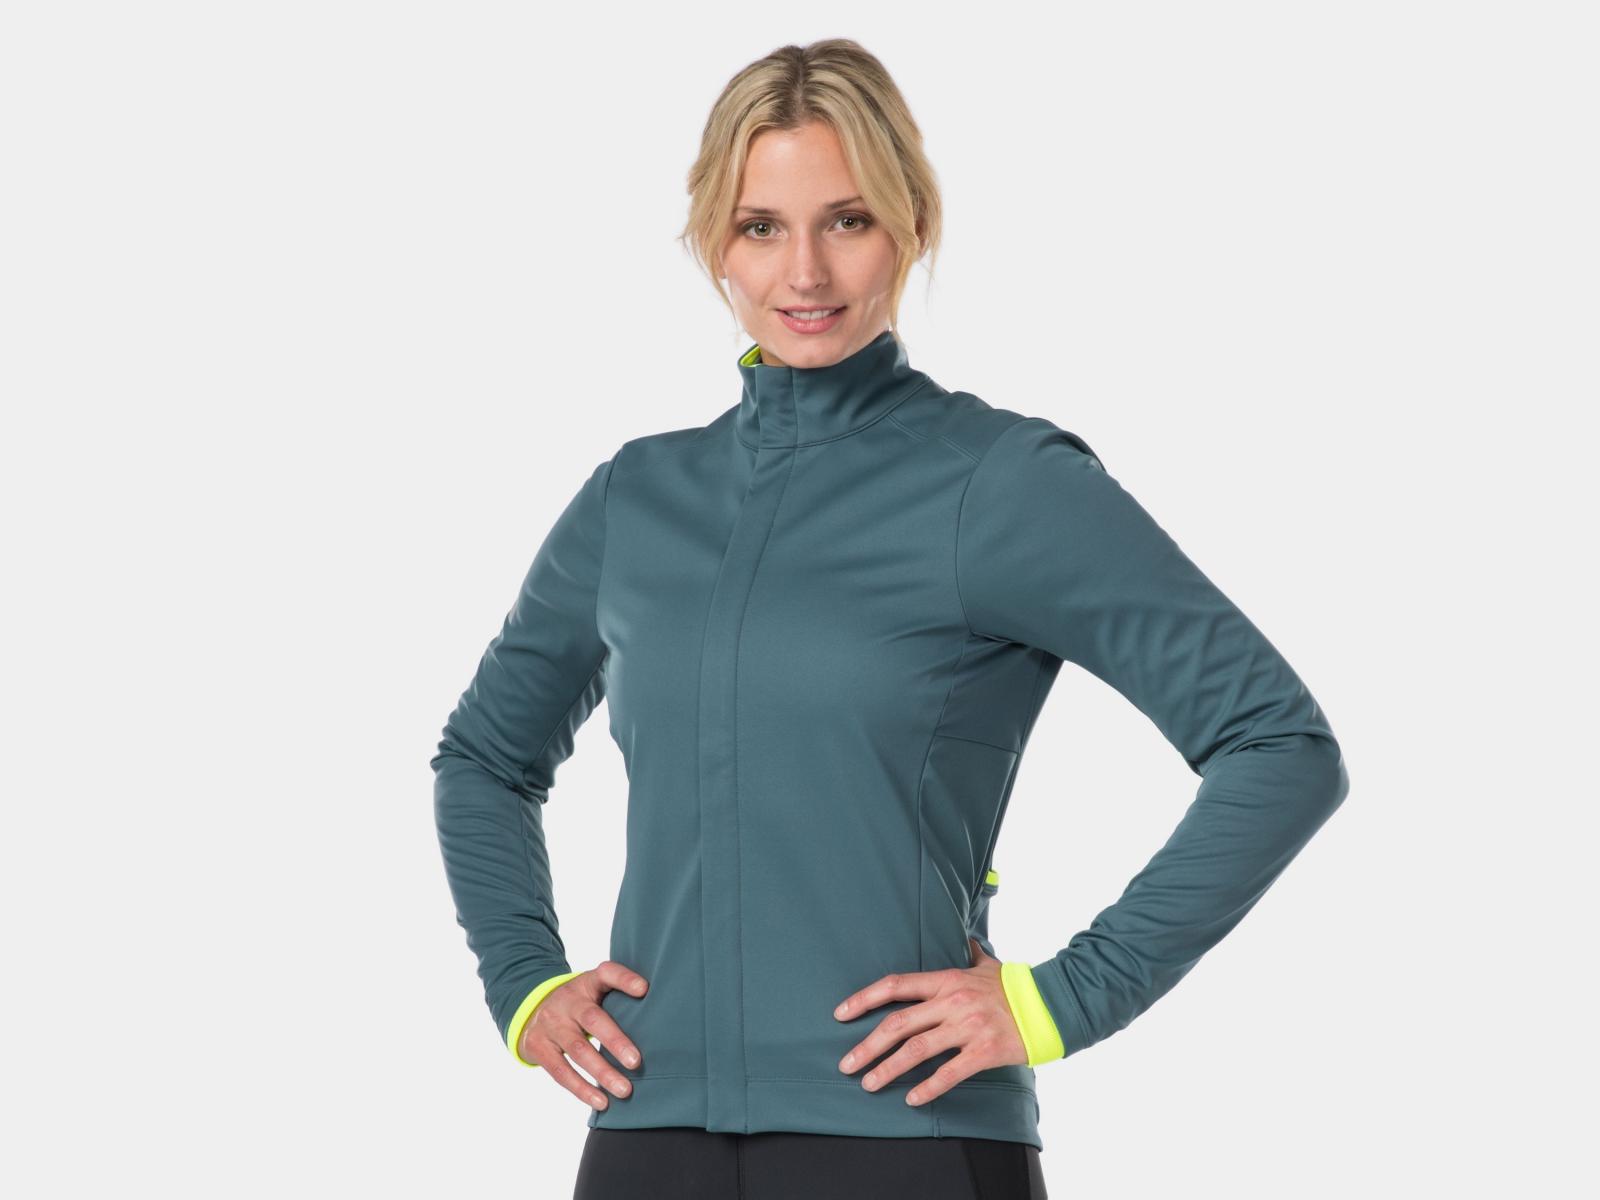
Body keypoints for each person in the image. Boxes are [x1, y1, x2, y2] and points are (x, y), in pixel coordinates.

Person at [430, 38, 1349, 1200]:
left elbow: (1277, 744)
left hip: (906, 1138)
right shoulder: (637, 499)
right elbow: (485, 758)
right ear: (713, 242)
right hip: (648, 1134)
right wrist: (524, 984)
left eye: (847, 220)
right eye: (760, 226)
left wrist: (1063, 998)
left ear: (910, 225)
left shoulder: (1002, 484)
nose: (804, 270)